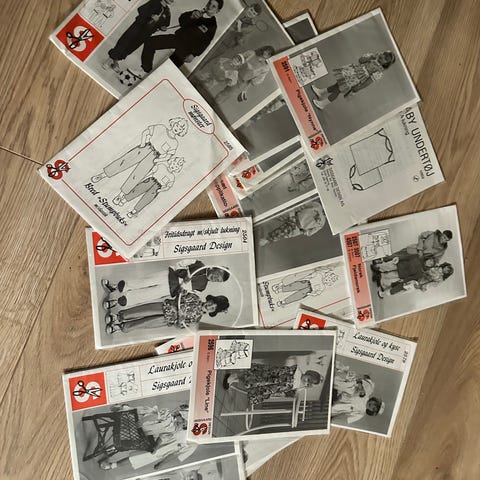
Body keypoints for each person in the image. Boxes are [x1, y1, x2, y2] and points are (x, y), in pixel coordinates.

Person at [90, 118, 188, 206]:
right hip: (145, 147)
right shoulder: (161, 128)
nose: (177, 128)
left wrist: (157, 160)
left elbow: (168, 156)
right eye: (177, 125)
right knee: (124, 161)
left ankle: (120, 195)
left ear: (181, 132)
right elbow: (146, 132)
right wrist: (142, 143)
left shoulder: (174, 144)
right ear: (173, 123)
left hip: (154, 157)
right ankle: (103, 175)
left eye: (181, 128)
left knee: (137, 175)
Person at [99, 403, 197, 471]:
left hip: (145, 433)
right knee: (134, 419)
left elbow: (162, 437)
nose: (183, 423)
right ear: (179, 414)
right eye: (183, 420)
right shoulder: (167, 414)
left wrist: (156, 447)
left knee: (136, 444)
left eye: (184, 424)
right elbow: (153, 415)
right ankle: (124, 409)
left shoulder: (174, 429)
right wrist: (141, 421)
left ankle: (112, 455)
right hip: (142, 424)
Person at [139, 0, 224, 73]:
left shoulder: (212, 25)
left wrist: (194, 55)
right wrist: (191, 16)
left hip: (187, 49)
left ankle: (155, 79)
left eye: (213, 6)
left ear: (218, 11)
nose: (209, 7)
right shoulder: (196, 13)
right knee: (150, 42)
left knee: (169, 67)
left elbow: (205, 43)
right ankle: (146, 70)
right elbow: (182, 21)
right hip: (178, 38)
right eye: (209, 3)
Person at [101, 261, 230, 309]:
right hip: (169, 276)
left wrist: (183, 292)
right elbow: (180, 264)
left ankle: (118, 302)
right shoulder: (199, 264)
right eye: (217, 275)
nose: (215, 278)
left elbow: (188, 294)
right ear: (216, 268)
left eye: (218, 280)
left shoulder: (202, 287)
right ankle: (115, 287)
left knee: (147, 295)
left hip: (170, 289)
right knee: (145, 281)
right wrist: (184, 274)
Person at [103, 0, 174, 72]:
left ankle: (116, 60)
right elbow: (141, 9)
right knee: (125, 41)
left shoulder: (167, 11)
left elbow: (165, 24)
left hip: (147, 33)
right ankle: (110, 59)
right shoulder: (154, 2)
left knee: (132, 47)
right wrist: (151, 15)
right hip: (138, 26)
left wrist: (163, 27)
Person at [310, 51, 396, 109]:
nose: (383, 57)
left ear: (386, 64)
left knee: (338, 90)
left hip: (356, 80)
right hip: (351, 72)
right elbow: (360, 60)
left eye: (385, 59)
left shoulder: (379, 71)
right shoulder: (373, 57)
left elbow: (369, 81)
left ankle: (323, 104)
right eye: (384, 54)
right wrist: (370, 57)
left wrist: (359, 88)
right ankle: (321, 92)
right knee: (337, 84)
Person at [105, 293, 229, 333]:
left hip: (166, 320)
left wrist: (180, 321)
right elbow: (180, 296)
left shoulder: (197, 319)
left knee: (144, 323)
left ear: (212, 312)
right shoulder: (195, 297)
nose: (209, 306)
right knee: (141, 310)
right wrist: (181, 294)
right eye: (211, 303)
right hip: (165, 307)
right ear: (209, 299)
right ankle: (118, 316)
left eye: (212, 308)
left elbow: (180, 326)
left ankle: (121, 327)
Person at [196, 45, 275, 104]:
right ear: (263, 49)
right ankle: (198, 91)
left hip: (240, 80)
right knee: (213, 80)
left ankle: (212, 104)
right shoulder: (252, 53)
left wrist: (248, 83)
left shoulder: (265, 68)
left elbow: (257, 80)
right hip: (232, 70)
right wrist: (233, 64)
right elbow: (238, 57)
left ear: (270, 56)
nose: (266, 53)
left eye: (269, 53)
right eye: (266, 50)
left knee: (226, 93)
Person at [222, 362, 323, 406]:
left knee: (253, 386)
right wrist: (271, 375)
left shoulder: (298, 385)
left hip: (271, 387)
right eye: (308, 379)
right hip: (270, 378)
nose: (306, 381)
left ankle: (236, 379)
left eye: (308, 383)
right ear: (308, 373)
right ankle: (234, 376)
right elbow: (280, 370)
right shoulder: (295, 372)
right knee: (253, 378)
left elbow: (289, 392)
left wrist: (303, 388)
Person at [375, 257, 454, 298]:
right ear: (445, 266)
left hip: (418, 283)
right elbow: (425, 266)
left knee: (400, 288)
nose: (445, 270)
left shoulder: (440, 279)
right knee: (398, 281)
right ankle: (384, 287)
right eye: (447, 268)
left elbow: (431, 285)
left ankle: (383, 293)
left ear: (447, 274)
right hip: (416, 274)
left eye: (447, 271)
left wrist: (422, 286)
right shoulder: (436, 266)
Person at [258, 200, 326, 246]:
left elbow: (310, 233)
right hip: (294, 215)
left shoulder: (322, 222)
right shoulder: (317, 205)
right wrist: (295, 210)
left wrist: (303, 230)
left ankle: (267, 239)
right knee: (277, 216)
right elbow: (304, 205)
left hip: (297, 227)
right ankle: (262, 218)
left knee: (283, 232)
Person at [271, 266, 339, 306]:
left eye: (328, 281)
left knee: (297, 296)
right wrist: (304, 278)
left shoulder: (322, 287)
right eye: (327, 279)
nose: (326, 280)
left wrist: (311, 294)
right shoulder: (320, 274)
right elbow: (310, 276)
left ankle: (284, 302)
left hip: (308, 290)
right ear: (327, 275)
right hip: (306, 282)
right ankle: (280, 289)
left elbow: (317, 293)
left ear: (329, 284)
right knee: (293, 286)